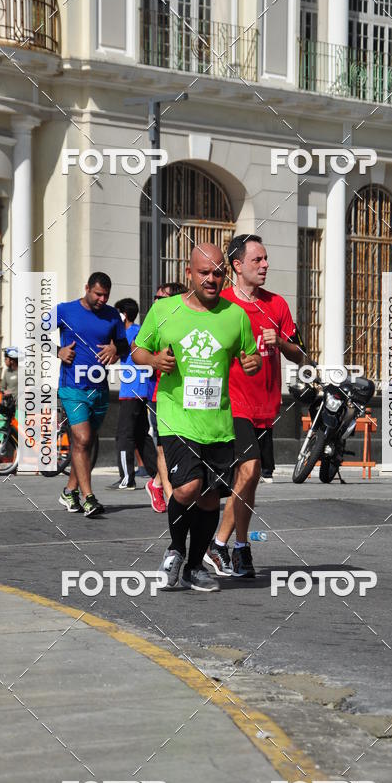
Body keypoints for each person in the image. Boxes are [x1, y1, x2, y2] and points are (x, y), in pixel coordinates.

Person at [132, 243, 261, 592]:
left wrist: (254, 363)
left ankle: (194, 566)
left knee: (207, 498)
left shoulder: (235, 316)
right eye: (204, 272)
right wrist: (154, 360)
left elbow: (251, 356)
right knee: (187, 487)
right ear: (189, 273)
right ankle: (175, 549)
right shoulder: (164, 310)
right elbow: (138, 350)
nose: (211, 278)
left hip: (218, 423)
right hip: (176, 416)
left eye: (218, 272)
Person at [204, 234, 304, 578]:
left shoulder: (277, 305)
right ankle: (218, 545)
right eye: (257, 260)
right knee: (248, 472)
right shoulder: (221, 305)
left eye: (265, 259)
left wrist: (284, 344)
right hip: (231, 405)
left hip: (266, 405)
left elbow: (300, 352)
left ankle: (241, 548)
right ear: (237, 265)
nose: (264, 265)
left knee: (250, 480)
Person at [56, 272, 127, 517]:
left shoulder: (112, 316)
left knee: (84, 443)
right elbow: (35, 333)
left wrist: (116, 348)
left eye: (106, 295)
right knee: (84, 439)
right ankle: (89, 498)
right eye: (98, 294)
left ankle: (69, 492)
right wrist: (58, 351)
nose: (102, 299)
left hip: (99, 389)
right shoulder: (64, 310)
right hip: (72, 387)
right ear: (86, 288)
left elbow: (125, 345)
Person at [110, 297, 164, 512]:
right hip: (144, 391)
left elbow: (115, 354)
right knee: (142, 434)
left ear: (122, 314)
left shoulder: (127, 334)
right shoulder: (142, 330)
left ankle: (126, 478)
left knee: (124, 435)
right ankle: (154, 473)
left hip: (130, 391)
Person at [147, 282, 189, 506]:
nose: (156, 302)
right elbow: (137, 349)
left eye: (161, 298)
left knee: (181, 450)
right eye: (155, 297)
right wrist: (155, 360)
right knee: (163, 449)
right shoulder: (158, 324)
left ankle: (156, 483)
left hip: (190, 398)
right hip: (160, 397)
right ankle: (170, 497)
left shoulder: (192, 322)